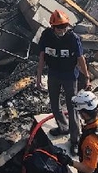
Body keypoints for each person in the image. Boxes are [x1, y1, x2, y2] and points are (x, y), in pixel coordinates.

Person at [35, 9, 90, 154]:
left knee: (72, 108)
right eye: (59, 27)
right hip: (53, 73)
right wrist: (39, 76)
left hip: (70, 76)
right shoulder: (46, 36)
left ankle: (75, 140)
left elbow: (80, 58)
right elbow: (41, 56)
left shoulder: (73, 38)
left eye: (64, 26)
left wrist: (87, 77)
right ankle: (62, 127)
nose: (62, 30)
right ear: (52, 27)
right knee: (54, 103)